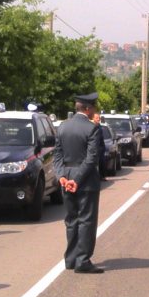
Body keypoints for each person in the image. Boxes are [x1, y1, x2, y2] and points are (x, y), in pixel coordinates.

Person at [54, 92, 104, 274]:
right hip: (85, 180)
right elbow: (92, 159)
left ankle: (71, 259)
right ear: (88, 109)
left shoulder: (62, 127)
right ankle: (82, 260)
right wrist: (77, 180)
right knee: (86, 221)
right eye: (94, 108)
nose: (95, 111)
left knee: (71, 220)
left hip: (67, 176)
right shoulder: (92, 129)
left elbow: (57, 155)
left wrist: (62, 176)